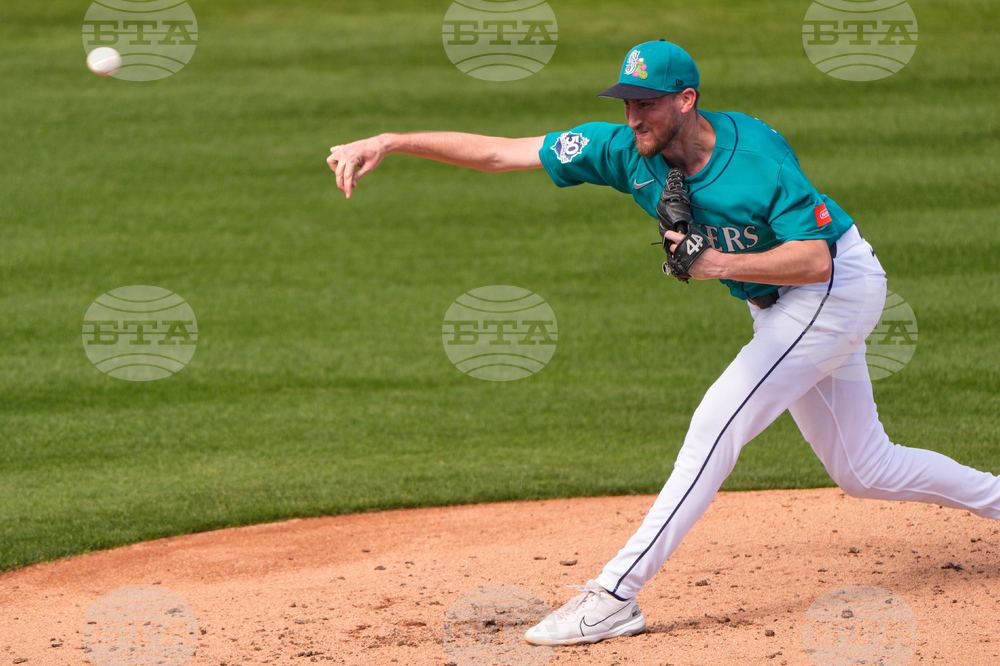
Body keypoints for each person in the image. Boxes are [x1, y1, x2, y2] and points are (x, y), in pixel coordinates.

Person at [328, 40, 1000, 646]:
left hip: (833, 289)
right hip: (780, 303)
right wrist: (393, 139)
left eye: (646, 103)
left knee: (717, 423)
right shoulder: (626, 152)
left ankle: (614, 596)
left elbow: (815, 261)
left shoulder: (757, 157)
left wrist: (716, 265)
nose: (633, 117)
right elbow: (507, 152)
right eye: (626, 102)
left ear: (686, 100)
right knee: (866, 469)